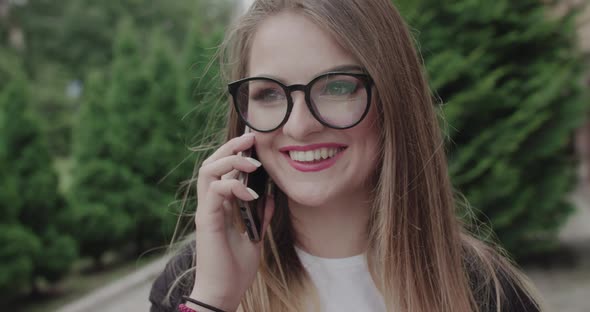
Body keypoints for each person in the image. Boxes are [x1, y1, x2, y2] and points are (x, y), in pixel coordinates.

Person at [149, 0, 544, 311]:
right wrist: (214, 302)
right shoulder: (193, 283)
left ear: (394, 101)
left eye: (337, 87)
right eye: (268, 93)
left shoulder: (483, 291)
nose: (300, 126)